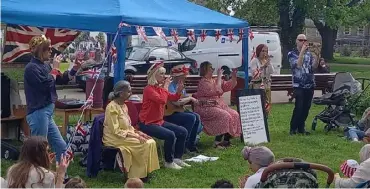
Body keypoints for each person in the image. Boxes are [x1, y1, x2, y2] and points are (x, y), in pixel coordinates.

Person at [103, 80, 160, 180]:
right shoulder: (111, 107)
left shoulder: (124, 105)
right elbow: (115, 130)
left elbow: (128, 126)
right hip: (114, 137)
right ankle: (137, 175)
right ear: (121, 94)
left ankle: (146, 171)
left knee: (150, 141)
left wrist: (139, 132)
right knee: (143, 144)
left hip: (125, 134)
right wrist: (135, 136)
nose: (131, 93)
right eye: (129, 91)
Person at [23, 35, 67, 163]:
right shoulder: (31, 68)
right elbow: (44, 86)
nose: (51, 51)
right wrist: (54, 70)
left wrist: (76, 69)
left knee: (61, 146)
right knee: (39, 150)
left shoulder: (46, 66)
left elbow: (61, 80)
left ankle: (62, 176)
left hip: (47, 113)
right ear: (40, 50)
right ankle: (34, 177)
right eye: (48, 48)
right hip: (38, 112)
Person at [138, 62, 190, 170]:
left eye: (164, 74)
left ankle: (177, 158)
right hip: (147, 123)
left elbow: (173, 98)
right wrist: (166, 86)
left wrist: (179, 91)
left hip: (159, 121)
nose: (164, 76)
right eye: (161, 74)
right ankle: (168, 162)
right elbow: (162, 100)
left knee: (182, 131)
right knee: (170, 135)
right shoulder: (149, 89)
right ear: (154, 75)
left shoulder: (159, 88)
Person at [193, 61, 241, 149]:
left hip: (218, 105)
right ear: (206, 69)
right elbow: (218, 90)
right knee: (224, 116)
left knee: (234, 114)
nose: (213, 70)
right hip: (205, 107)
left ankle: (226, 140)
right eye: (211, 68)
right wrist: (219, 76)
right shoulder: (203, 82)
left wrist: (233, 77)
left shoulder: (214, 80)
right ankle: (217, 142)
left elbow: (228, 86)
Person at [164, 64, 202, 153]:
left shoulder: (180, 85)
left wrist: (187, 98)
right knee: (191, 118)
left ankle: (190, 144)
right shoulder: (170, 86)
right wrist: (190, 99)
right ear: (177, 77)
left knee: (196, 117)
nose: (185, 78)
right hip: (169, 113)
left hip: (177, 110)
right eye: (183, 76)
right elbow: (176, 102)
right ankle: (183, 144)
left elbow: (182, 98)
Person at [288, 34, 315, 135]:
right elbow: (297, 65)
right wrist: (302, 52)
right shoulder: (292, 53)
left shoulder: (309, 54)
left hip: (310, 84)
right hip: (298, 85)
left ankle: (301, 127)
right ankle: (293, 128)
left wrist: (318, 54)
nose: (303, 42)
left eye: (305, 40)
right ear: (296, 41)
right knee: (299, 107)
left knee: (306, 107)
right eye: (301, 40)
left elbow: (313, 67)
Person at [250, 44, 275, 111]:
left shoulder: (266, 61)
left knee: (267, 106)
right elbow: (255, 74)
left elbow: (272, 71)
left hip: (267, 86)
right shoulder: (254, 61)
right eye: (263, 51)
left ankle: (266, 119)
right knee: (258, 106)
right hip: (257, 86)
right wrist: (263, 66)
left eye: (266, 51)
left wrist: (269, 63)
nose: (264, 53)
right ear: (258, 51)